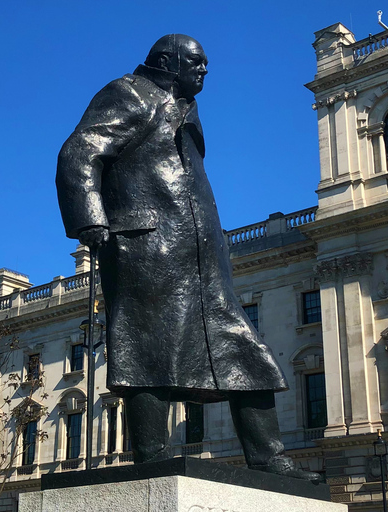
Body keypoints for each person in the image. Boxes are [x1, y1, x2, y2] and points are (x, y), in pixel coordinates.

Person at [57, 34, 317, 480]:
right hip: (146, 246)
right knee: (146, 349)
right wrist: (90, 219)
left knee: (245, 351)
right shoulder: (128, 92)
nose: (204, 70)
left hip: (199, 258)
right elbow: (79, 152)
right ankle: (153, 456)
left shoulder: (184, 108)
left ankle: (268, 457)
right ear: (166, 61)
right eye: (196, 62)